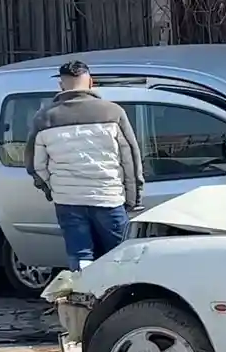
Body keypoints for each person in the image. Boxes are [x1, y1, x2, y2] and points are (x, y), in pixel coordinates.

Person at [26, 60, 145, 271]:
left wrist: (52, 190)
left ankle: (86, 300)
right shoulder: (113, 113)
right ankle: (119, 299)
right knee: (120, 257)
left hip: (68, 201)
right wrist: (133, 198)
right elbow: (131, 160)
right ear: (91, 82)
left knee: (81, 256)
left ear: (61, 86)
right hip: (108, 198)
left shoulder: (43, 118)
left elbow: (35, 166)